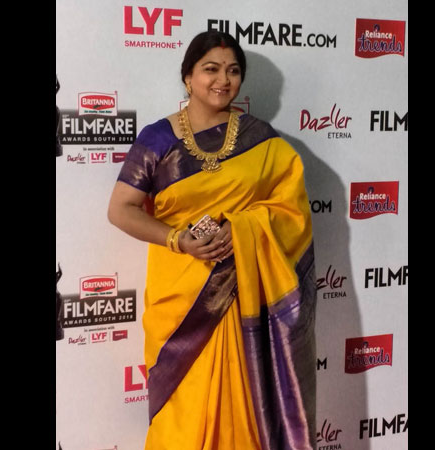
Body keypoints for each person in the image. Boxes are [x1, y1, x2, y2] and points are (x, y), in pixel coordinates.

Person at [108, 30, 317, 450]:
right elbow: (121, 210)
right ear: (188, 76)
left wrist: (244, 228)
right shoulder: (157, 139)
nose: (223, 80)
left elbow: (292, 211)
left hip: (243, 298)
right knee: (183, 421)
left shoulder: (262, 140)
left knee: (243, 412)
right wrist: (178, 240)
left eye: (233, 71)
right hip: (182, 304)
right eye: (211, 69)